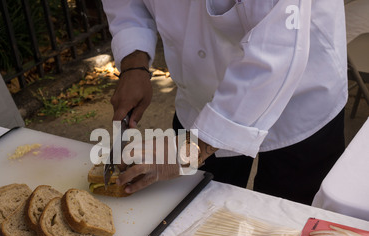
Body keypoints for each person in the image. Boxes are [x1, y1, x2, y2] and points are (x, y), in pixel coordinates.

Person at [101, 0, 348, 205]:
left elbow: (278, 50)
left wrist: (191, 150)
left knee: (287, 227)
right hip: (199, 97)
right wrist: (134, 62)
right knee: (193, 217)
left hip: (299, 97)